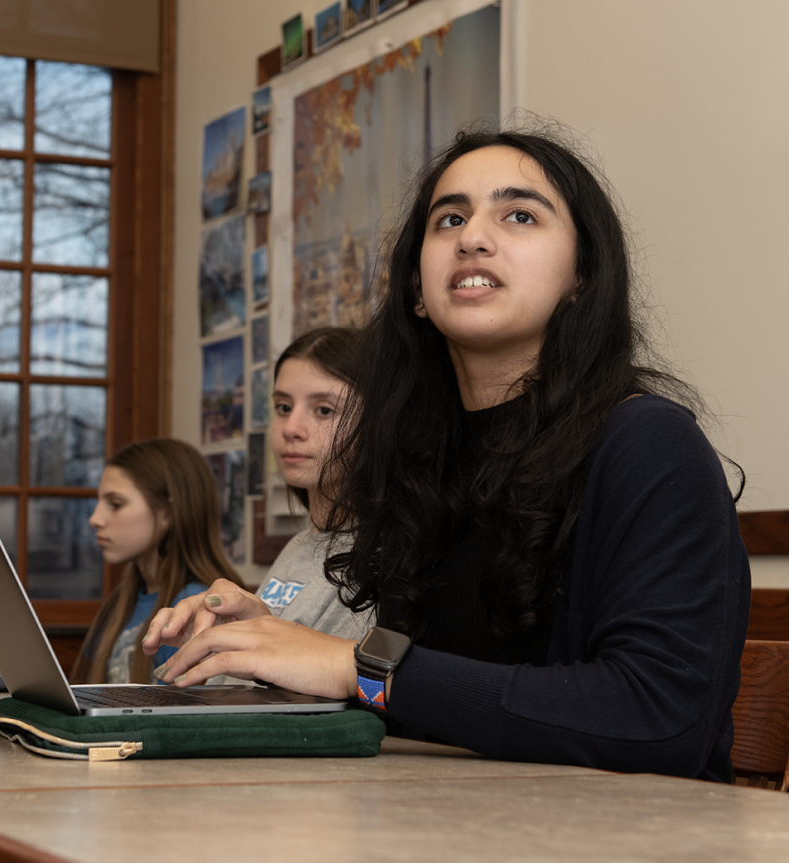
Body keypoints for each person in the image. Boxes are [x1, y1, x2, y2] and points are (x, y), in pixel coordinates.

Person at [144, 125, 750, 781]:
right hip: (441, 831)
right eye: (450, 218)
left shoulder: (650, 444)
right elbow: (422, 707)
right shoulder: (417, 463)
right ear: (416, 289)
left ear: (581, 275)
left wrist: (354, 663)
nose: (473, 236)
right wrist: (277, 646)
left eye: (520, 214)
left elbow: (660, 719)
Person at [221, 327, 367, 645]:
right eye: (284, 407)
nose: (291, 428)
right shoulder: (300, 545)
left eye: (324, 410)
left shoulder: (376, 560)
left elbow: (362, 687)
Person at [72, 438, 245, 684]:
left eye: (115, 504)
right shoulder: (121, 601)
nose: (95, 519)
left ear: (167, 513)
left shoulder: (196, 610)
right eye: (99, 502)